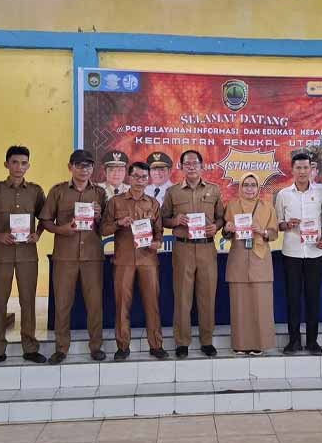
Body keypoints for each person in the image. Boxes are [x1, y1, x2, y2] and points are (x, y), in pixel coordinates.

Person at [0, 145, 47, 367]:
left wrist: (37, 234)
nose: (19, 167)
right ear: (6, 164)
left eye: (23, 163)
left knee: (28, 300)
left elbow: (45, 218)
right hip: (1, 254)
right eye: (14, 162)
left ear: (28, 166)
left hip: (27, 255)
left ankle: (30, 347)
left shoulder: (35, 191)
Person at [39, 150, 106, 365]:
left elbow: (106, 227)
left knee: (94, 304)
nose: (84, 170)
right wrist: (62, 229)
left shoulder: (100, 193)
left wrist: (99, 217)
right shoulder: (58, 191)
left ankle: (96, 346)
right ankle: (61, 348)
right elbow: (45, 221)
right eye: (79, 165)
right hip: (65, 257)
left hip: (92, 257)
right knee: (62, 303)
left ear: (93, 168)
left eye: (88, 166)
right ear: (70, 167)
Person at [102, 161, 168, 360]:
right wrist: (118, 223)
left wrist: (157, 242)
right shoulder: (115, 202)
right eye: (136, 176)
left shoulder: (153, 203)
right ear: (129, 177)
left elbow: (159, 232)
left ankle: (156, 345)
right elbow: (103, 229)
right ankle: (123, 346)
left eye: (144, 177)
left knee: (152, 304)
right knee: (122, 304)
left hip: (148, 260)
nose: (140, 180)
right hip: (124, 260)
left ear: (148, 179)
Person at [161, 150, 224, 358]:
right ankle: (182, 342)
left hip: (207, 248)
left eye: (195, 163)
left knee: (207, 296)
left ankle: (207, 341)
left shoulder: (214, 190)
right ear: (181, 167)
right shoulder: (172, 192)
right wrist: (175, 221)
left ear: (201, 166)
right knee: (182, 297)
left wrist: (215, 227)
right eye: (187, 163)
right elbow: (163, 219)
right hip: (183, 248)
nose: (191, 166)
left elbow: (221, 218)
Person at [275, 152, 322, 355]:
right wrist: (287, 225)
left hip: (316, 253)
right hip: (292, 253)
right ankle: (294, 341)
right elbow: (278, 223)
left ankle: (313, 342)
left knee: (313, 298)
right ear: (292, 170)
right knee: (293, 298)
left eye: (306, 167)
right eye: (298, 168)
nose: (302, 171)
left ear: (312, 169)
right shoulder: (283, 195)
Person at [223, 173, 279, 355]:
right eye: (246, 185)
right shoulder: (232, 205)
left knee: (261, 303)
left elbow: (274, 233)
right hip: (238, 256)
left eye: (253, 185)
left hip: (260, 257)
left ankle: (259, 344)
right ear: (241, 187)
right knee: (240, 303)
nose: (249, 188)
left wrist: (262, 231)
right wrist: (228, 229)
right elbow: (225, 232)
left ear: (258, 188)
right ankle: (240, 344)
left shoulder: (267, 206)